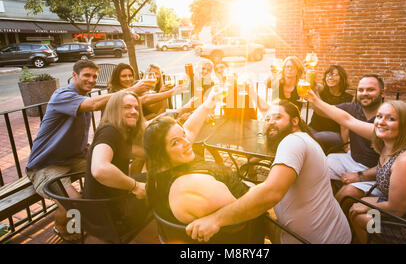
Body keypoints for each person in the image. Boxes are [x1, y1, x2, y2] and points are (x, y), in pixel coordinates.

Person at [186, 100, 352, 244]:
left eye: (277, 117)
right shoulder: (303, 140)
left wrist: (215, 220)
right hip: (332, 233)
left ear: (295, 121)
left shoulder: (293, 142)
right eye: (267, 118)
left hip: (312, 240)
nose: (270, 121)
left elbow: (271, 193)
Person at [25, 60, 152, 242]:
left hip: (73, 158)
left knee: (112, 163)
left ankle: (111, 208)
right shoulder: (63, 95)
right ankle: (66, 229)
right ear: (74, 75)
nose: (91, 80)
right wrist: (132, 91)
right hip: (46, 164)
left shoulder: (83, 97)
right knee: (74, 202)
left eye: (94, 76)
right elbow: (93, 105)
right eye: (86, 75)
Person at [306, 92, 406, 244]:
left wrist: (366, 206)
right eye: (380, 116)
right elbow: (347, 119)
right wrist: (314, 99)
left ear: (405, 125)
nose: (381, 122)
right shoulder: (386, 138)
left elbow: (396, 210)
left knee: (359, 215)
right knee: (355, 204)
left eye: (391, 119)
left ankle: (376, 239)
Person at [143, 86, 251, 228]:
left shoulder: (161, 168)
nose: (187, 142)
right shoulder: (192, 185)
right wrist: (268, 188)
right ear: (161, 155)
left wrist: (208, 104)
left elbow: (190, 130)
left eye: (183, 135)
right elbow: (243, 215)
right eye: (175, 142)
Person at [83, 91, 151, 242]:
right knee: (160, 188)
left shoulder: (119, 132)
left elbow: (141, 152)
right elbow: (100, 169)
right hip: (108, 212)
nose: (133, 112)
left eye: (136, 108)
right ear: (114, 110)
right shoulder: (110, 132)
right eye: (127, 107)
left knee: (153, 178)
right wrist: (135, 186)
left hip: (108, 203)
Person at [311, 74, 385, 206]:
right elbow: (322, 111)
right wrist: (313, 92)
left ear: (382, 93)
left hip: (376, 171)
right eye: (361, 90)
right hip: (351, 159)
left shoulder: (388, 118)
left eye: (370, 90)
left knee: (347, 194)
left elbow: (391, 166)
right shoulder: (353, 108)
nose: (364, 93)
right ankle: (322, 205)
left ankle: (332, 219)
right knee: (314, 171)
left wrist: (360, 176)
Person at [308, 65, 354, 153]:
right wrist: (310, 72)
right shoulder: (321, 91)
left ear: (342, 77)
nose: (330, 77)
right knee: (299, 135)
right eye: (328, 75)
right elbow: (316, 107)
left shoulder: (349, 98)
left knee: (313, 138)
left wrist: (345, 145)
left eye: (334, 75)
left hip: (334, 134)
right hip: (313, 128)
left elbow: (344, 125)